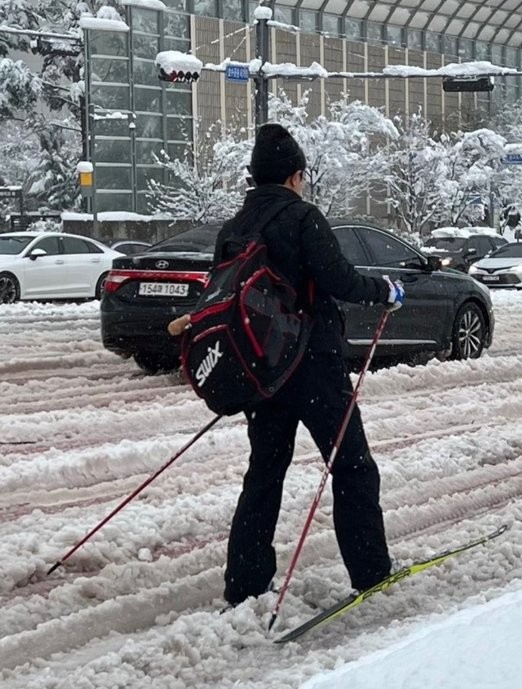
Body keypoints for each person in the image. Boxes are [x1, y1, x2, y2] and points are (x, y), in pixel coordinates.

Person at [169, 123, 404, 606]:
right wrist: (385, 291)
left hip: (261, 370)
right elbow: (339, 280)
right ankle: (371, 571)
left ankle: (246, 584)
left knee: (264, 472)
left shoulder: (235, 227)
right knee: (351, 465)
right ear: (295, 175)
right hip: (313, 365)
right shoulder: (303, 218)